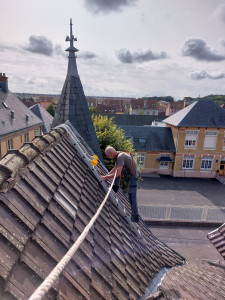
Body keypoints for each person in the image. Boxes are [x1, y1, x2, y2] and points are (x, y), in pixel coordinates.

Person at [101, 146, 140, 223]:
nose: (109, 158)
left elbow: (118, 173)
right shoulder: (119, 154)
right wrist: (106, 176)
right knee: (118, 171)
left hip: (133, 178)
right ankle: (116, 186)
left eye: (109, 156)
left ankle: (135, 217)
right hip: (133, 175)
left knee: (132, 197)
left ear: (112, 153)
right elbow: (116, 168)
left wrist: (105, 178)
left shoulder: (120, 157)